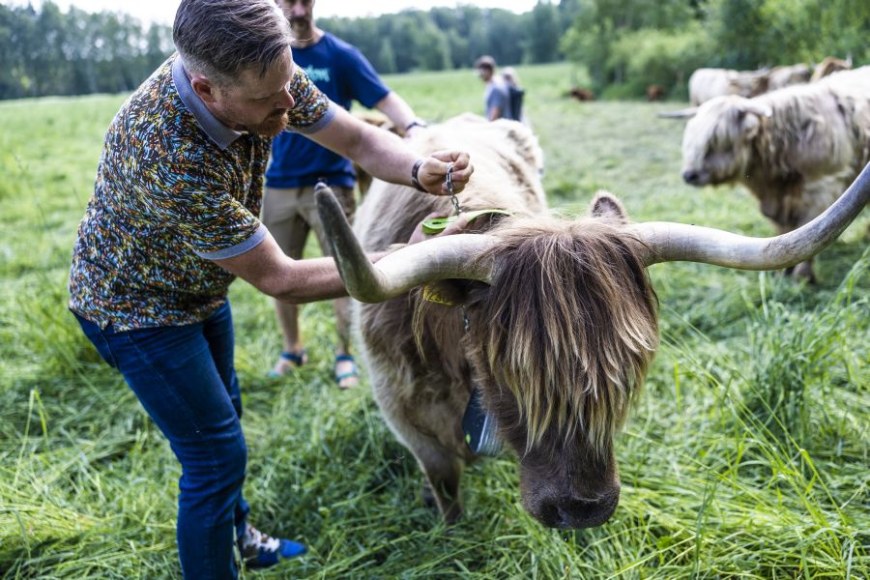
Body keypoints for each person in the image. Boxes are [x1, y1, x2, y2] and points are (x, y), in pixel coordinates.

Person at [66, 0, 472, 578]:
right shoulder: (166, 153)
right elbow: (281, 276)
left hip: (197, 288)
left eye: (288, 84)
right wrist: (414, 256)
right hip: (137, 311)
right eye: (266, 99)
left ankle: (241, 538)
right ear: (206, 90)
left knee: (224, 414)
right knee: (214, 455)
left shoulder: (265, 74)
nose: (288, 104)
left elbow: (355, 140)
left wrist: (417, 168)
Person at [264, 0, 429, 386]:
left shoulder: (338, 55)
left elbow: (383, 97)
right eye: (289, 1)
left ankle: (344, 354)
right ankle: (292, 348)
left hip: (333, 183)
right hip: (279, 183)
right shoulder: (267, 55)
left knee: (346, 271)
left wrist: (414, 126)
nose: (298, 10)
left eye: (305, 1)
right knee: (280, 276)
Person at [474, 54, 515, 121]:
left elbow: (494, 115)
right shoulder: (500, 82)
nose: (480, 76)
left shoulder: (495, 89)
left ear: (487, 71)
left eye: (481, 72)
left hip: (500, 127)